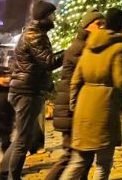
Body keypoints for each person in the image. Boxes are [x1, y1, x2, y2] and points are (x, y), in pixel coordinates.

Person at [61, 8, 122, 180]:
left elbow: (76, 80)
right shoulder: (118, 47)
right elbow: (121, 81)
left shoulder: (89, 44)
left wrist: (74, 107)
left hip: (83, 107)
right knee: (103, 164)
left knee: (78, 161)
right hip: (103, 108)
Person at [0, 0, 64, 180]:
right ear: (44, 16)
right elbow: (49, 62)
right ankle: (12, 176)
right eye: (52, 15)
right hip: (27, 91)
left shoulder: (34, 32)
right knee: (23, 140)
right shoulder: (35, 35)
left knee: (22, 136)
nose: (54, 18)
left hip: (25, 89)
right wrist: (70, 51)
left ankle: (3, 173)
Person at [46, 11, 103, 180]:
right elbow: (94, 73)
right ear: (87, 25)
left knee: (84, 155)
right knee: (72, 156)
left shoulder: (88, 44)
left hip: (79, 110)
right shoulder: (81, 47)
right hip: (72, 111)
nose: (102, 27)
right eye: (98, 24)